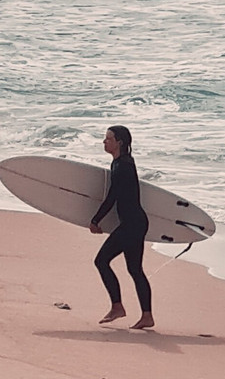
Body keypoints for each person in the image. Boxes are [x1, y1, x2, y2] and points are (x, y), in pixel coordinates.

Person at [89, 125, 154, 329]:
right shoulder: (121, 162)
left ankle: (118, 307)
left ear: (119, 143)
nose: (104, 142)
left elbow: (113, 196)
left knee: (101, 261)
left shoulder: (123, 165)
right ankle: (146, 316)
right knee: (134, 269)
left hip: (132, 224)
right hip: (134, 223)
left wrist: (96, 220)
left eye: (108, 139)